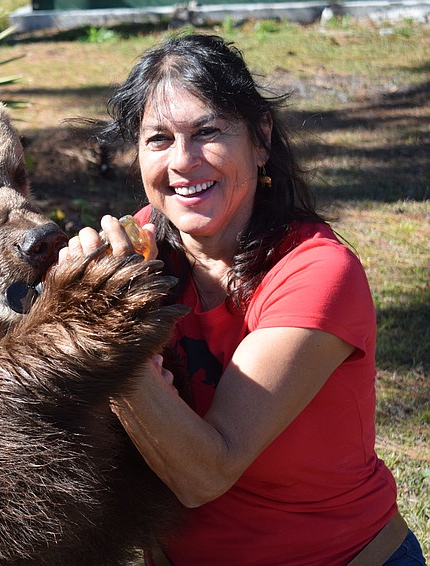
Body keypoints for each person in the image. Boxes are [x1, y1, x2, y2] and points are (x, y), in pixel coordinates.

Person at [57, 33, 426, 565]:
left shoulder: (318, 273)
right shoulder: (140, 250)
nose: (182, 162)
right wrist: (62, 304)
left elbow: (208, 471)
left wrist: (104, 331)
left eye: (208, 132)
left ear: (260, 138)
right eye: (158, 139)